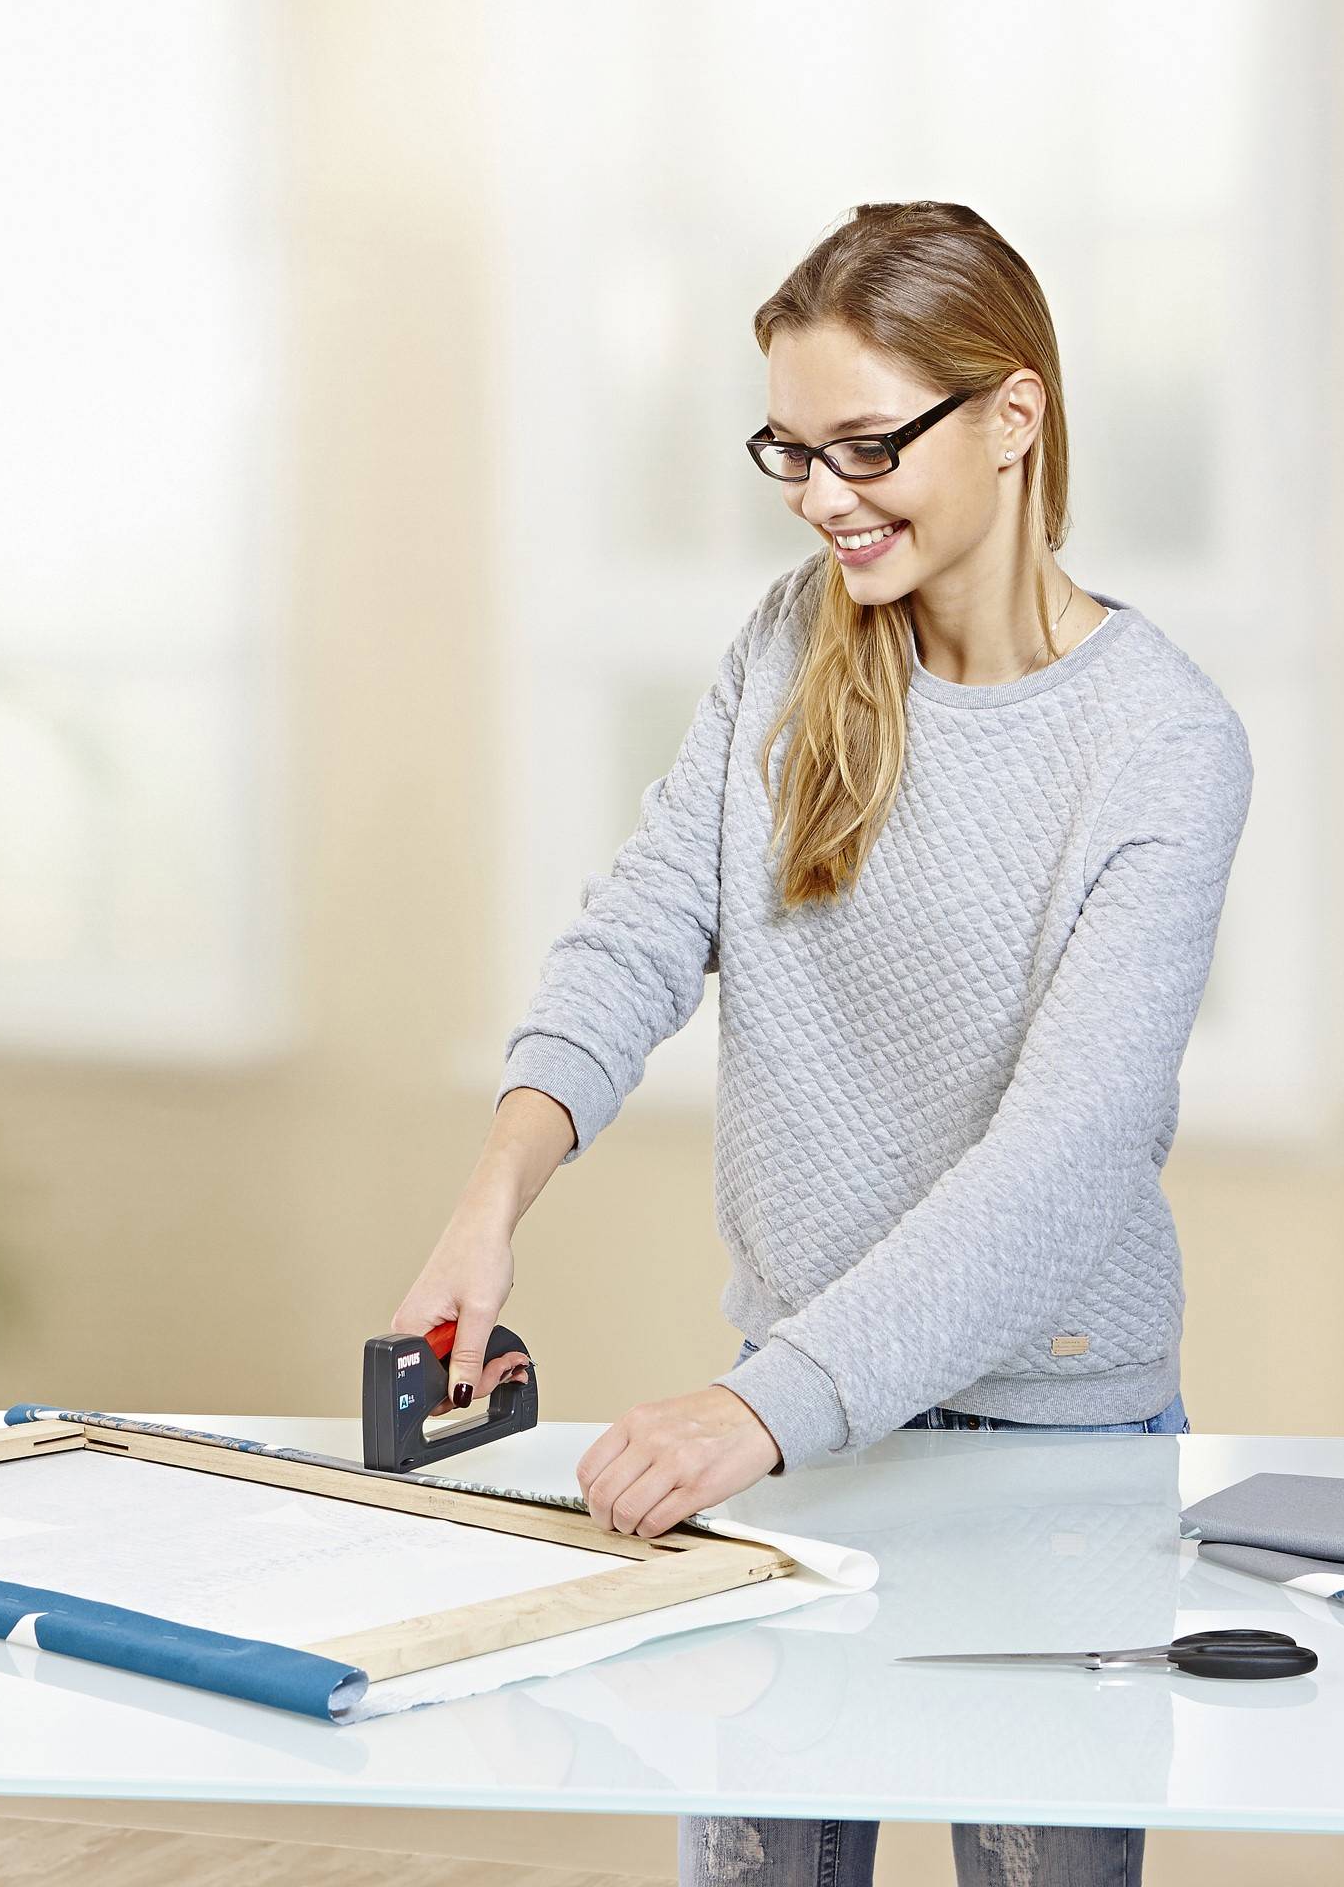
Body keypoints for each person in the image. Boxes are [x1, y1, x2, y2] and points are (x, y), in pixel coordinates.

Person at [392, 200, 1253, 1887]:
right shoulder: (792, 651)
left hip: (1048, 1458)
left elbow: (1067, 1160)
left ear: (1013, 418)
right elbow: (641, 928)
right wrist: (490, 1198)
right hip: (800, 1442)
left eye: (867, 446)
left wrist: (752, 1411)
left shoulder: (1162, 746)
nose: (822, 498)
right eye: (790, 451)